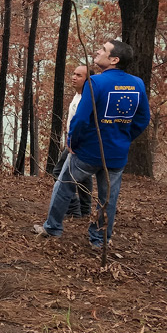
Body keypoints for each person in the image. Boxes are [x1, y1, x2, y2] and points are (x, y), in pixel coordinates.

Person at [35, 39, 151, 249]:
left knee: (63, 187)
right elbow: (143, 119)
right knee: (108, 198)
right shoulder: (138, 84)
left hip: (88, 152)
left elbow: (80, 119)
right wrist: (124, 137)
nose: (98, 52)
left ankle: (52, 228)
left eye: (103, 50)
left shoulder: (95, 83)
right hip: (116, 154)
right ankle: (99, 239)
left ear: (114, 59)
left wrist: (72, 141)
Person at [57, 65, 92, 218]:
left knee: (58, 172)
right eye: (73, 73)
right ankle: (84, 211)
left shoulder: (86, 98)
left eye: (79, 75)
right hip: (74, 141)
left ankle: (74, 209)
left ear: (87, 80)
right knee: (84, 177)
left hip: (78, 143)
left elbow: (83, 122)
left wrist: (73, 142)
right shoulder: (78, 95)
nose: (74, 77)